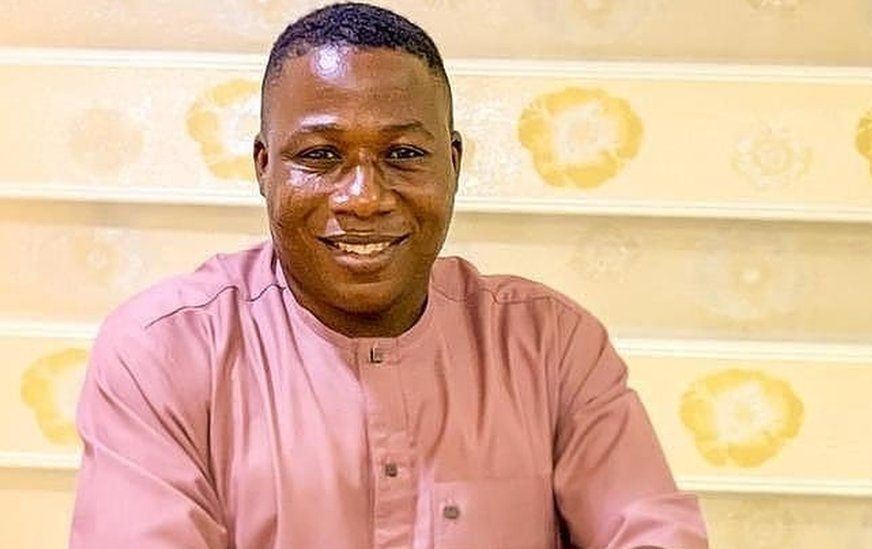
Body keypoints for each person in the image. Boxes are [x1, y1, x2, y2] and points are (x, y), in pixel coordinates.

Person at [69, 3, 708, 548]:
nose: (364, 198)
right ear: (265, 167)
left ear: (452, 164)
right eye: (321, 155)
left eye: (403, 154)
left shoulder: (550, 345)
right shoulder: (166, 351)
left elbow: (651, 532)